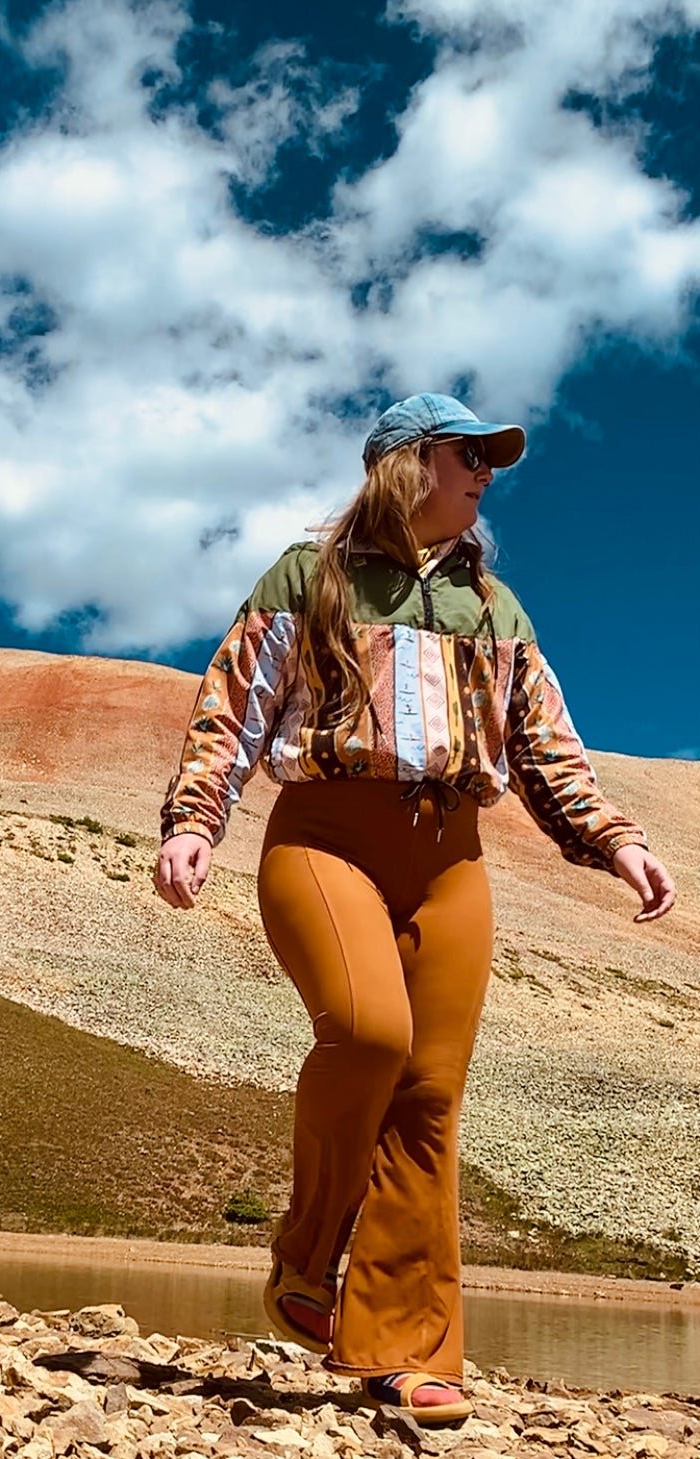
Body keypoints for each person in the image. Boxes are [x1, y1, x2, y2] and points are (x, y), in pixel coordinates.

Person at [154, 393, 675, 1427]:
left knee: (430, 1093)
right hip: (326, 834)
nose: (485, 471)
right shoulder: (310, 577)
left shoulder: (498, 607)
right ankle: (307, 1250)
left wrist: (618, 838)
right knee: (369, 1033)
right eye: (465, 452)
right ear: (404, 463)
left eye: (491, 457)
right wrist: (194, 820)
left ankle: (404, 1347)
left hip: (453, 856)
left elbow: (546, 748)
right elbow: (235, 706)